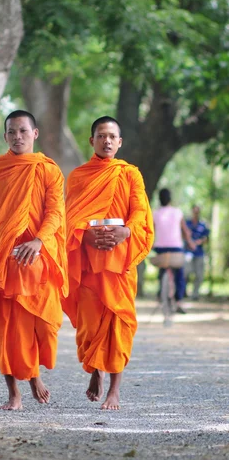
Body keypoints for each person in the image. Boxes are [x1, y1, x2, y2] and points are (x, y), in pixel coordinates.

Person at [0, 110, 68, 411]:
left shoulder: (48, 170)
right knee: (7, 331)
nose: (17, 137)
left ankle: (34, 373)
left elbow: (55, 212)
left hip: (37, 260)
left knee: (43, 327)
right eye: (11, 132)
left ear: (35, 134)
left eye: (23, 131)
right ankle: (14, 394)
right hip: (4, 262)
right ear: (5, 136)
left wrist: (38, 241)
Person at [63, 116, 153, 411]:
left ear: (120, 141)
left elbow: (140, 212)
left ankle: (114, 390)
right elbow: (70, 218)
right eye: (101, 136)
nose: (107, 141)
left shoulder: (130, 174)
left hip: (120, 263)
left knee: (118, 324)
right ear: (92, 141)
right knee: (90, 326)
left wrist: (126, 231)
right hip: (90, 265)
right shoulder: (79, 176)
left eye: (112, 136)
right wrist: (85, 237)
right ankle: (95, 371)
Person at [153, 188, 194, 314]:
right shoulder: (177, 212)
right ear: (170, 199)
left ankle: (161, 294)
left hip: (160, 248)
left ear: (159, 199)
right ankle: (179, 301)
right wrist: (191, 243)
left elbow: (151, 231)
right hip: (176, 247)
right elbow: (185, 231)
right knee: (179, 275)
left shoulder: (155, 213)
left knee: (163, 269)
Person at [184, 205, 209, 300]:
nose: (196, 213)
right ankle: (184, 291)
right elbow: (183, 235)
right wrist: (190, 242)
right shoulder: (187, 223)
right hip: (188, 252)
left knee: (199, 275)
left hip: (199, 253)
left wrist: (199, 242)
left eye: (197, 212)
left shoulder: (203, 225)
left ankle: (195, 294)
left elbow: (206, 238)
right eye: (194, 211)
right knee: (185, 273)